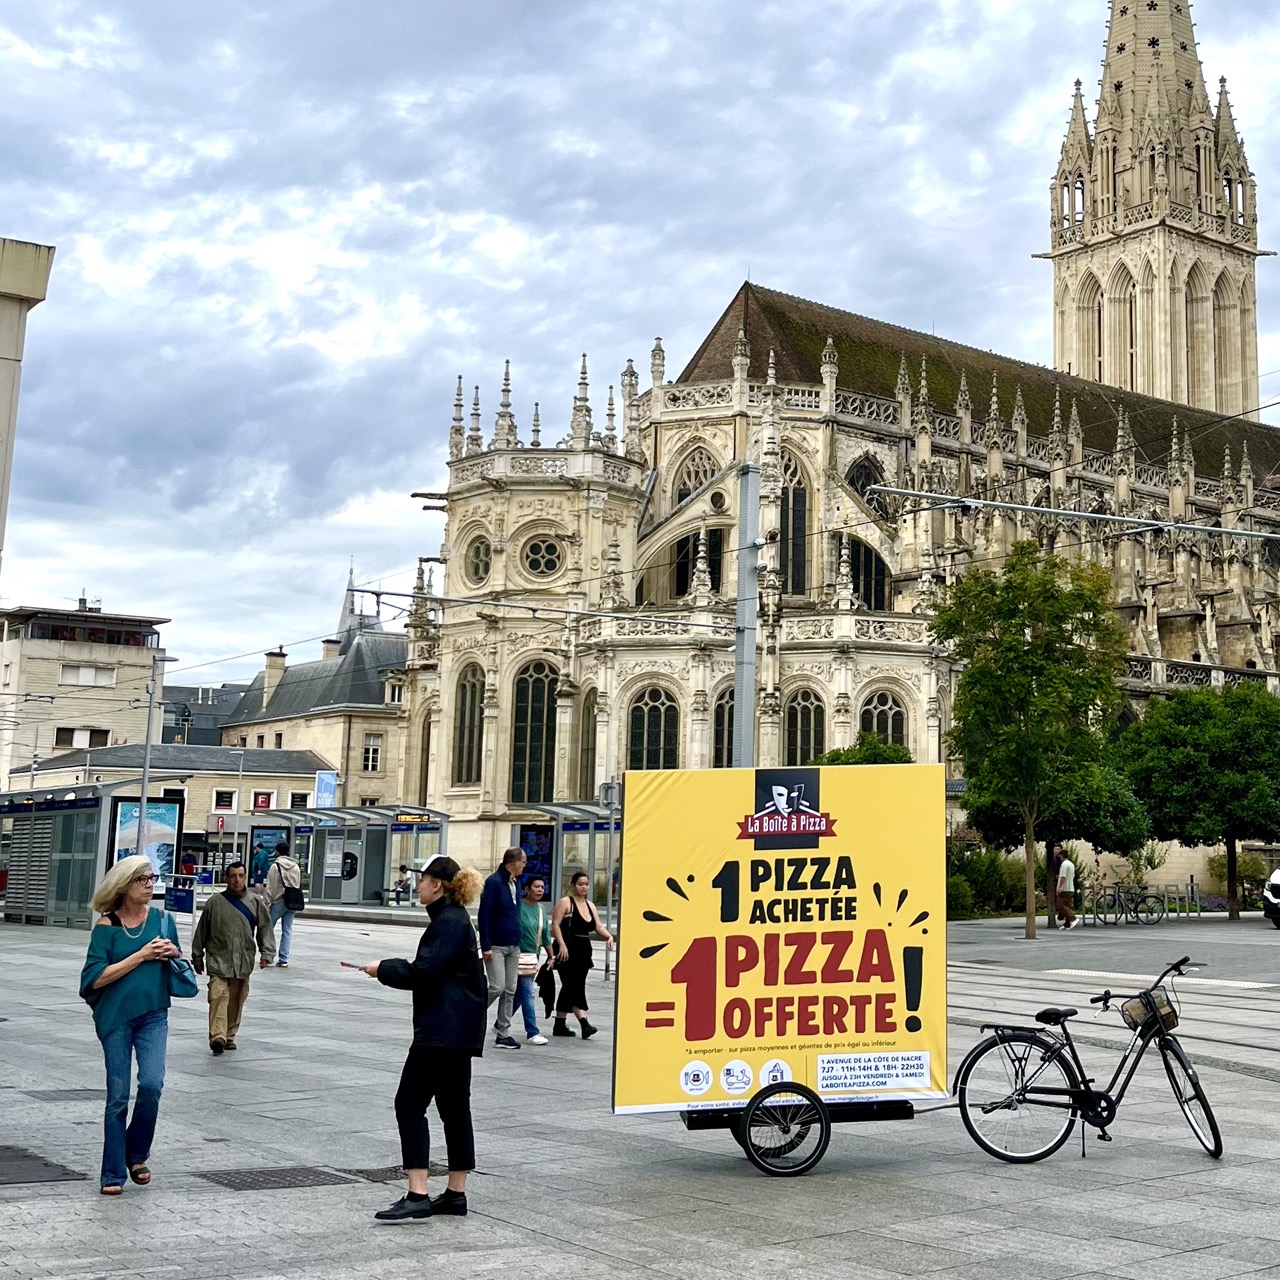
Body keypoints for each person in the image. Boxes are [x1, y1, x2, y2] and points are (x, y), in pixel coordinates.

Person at [360, 856, 485, 1222]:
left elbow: (424, 971)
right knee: (455, 1110)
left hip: (440, 1034)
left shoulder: (448, 922)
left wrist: (382, 968)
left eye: (423, 880)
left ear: (438, 886)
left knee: (409, 1105)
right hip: (457, 1033)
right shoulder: (456, 920)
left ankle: (417, 1193)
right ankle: (455, 1195)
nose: (418, 886)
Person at [79, 854, 182, 1195]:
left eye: (153, 878)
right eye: (143, 880)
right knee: (118, 1096)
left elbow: (177, 960)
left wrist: (172, 953)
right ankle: (112, 1173)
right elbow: (94, 978)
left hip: (154, 1014)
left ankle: (136, 1155)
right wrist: (141, 955)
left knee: (152, 1085)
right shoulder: (106, 927)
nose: (151, 884)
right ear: (124, 886)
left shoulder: (163, 920)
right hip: (116, 1018)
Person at [191, 861, 275, 1053]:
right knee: (218, 996)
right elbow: (202, 931)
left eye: (240, 876)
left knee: (236, 1000)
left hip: (242, 961)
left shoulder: (255, 902)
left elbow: (265, 929)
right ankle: (217, 1037)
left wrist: (267, 953)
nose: (237, 880)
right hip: (218, 959)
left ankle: (229, 1036)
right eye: (233, 876)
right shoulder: (215, 903)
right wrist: (197, 956)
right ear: (227, 879)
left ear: (245, 877)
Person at [551, 871, 614, 1039]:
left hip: (584, 950)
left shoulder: (590, 905)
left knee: (573, 985)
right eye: (580, 884)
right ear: (573, 885)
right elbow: (555, 925)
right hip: (566, 949)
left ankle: (559, 1024)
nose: (584, 887)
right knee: (573, 985)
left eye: (586, 884)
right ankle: (584, 1023)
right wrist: (562, 945)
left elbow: (597, 926)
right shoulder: (565, 902)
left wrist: (609, 936)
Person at [477, 847, 526, 1050]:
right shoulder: (495, 882)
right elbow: (484, 915)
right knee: (496, 987)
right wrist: (486, 944)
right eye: (523, 861)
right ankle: (472, 1013)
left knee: (510, 989)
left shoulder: (514, 882)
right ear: (513, 861)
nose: (524, 865)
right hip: (496, 945)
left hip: (513, 945)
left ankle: (503, 1033)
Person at [517, 876, 554, 1045]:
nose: (540, 890)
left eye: (542, 887)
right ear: (527, 889)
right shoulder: (518, 907)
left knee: (520, 995)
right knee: (528, 993)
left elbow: (546, 935)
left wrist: (551, 956)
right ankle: (532, 1031)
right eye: (536, 887)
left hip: (533, 956)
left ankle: (499, 1025)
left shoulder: (541, 910)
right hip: (517, 954)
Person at [264, 841, 301, 968]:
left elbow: (269, 886)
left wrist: (266, 902)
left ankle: (268, 956)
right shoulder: (295, 867)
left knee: (268, 929)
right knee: (287, 930)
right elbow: (297, 884)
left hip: (278, 901)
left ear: (277, 852)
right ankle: (283, 959)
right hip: (292, 902)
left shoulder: (275, 867)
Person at [1057, 846, 1079, 929]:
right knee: (1067, 906)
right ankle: (1067, 924)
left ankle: (1073, 918)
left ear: (1062, 856)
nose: (1059, 858)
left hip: (1065, 889)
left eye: (1060, 856)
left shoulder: (1064, 864)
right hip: (1070, 888)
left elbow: (1063, 877)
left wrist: (1060, 887)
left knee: (1061, 905)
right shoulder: (1071, 864)